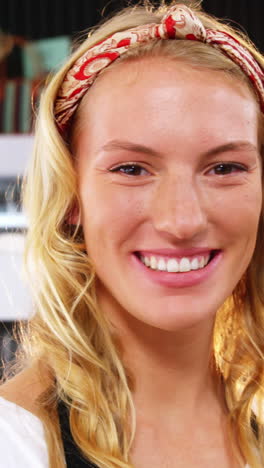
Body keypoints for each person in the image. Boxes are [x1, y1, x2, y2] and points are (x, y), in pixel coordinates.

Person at [0, 1, 263, 467]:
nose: (181, 221)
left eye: (224, 167)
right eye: (132, 169)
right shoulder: (14, 445)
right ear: (71, 196)